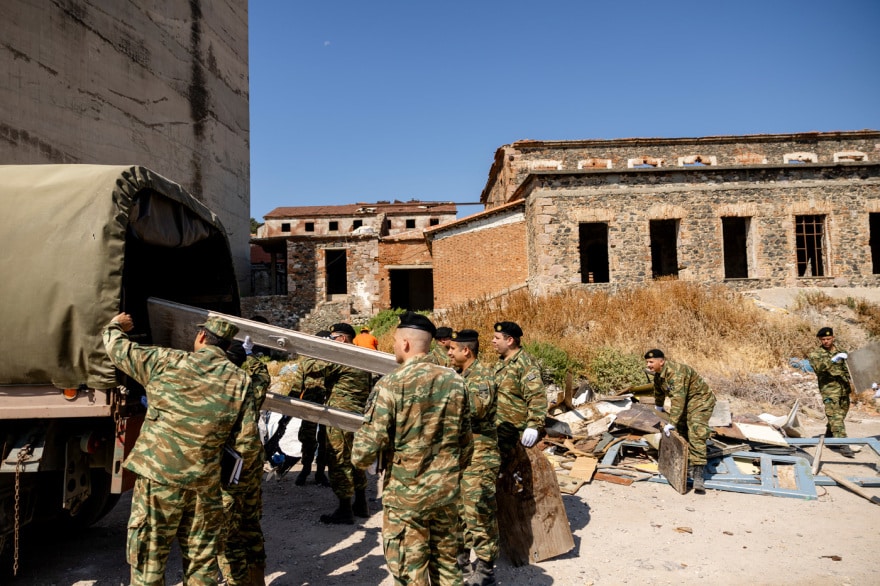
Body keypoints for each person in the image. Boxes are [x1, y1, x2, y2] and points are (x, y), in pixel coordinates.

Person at [102, 314, 249, 585]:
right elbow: (245, 440)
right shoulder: (241, 381)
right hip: (205, 485)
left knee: (149, 560)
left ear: (201, 336)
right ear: (227, 347)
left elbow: (117, 349)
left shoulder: (167, 361)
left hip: (158, 480)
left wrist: (116, 326)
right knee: (202, 564)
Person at [352, 311, 472, 586]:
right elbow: (466, 443)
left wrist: (366, 460)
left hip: (407, 497)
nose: (394, 346)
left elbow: (363, 452)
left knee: (410, 571)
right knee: (448, 569)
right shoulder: (456, 382)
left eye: (395, 341)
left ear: (405, 343)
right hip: (446, 492)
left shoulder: (391, 385)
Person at [448, 329, 500, 586]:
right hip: (462, 453)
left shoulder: (482, 377)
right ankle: (461, 561)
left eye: (452, 349)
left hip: (481, 453)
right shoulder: (460, 376)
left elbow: (476, 410)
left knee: (478, 510)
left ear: (466, 350)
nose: (449, 353)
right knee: (459, 510)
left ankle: (486, 569)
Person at [218, 337, 272, 586]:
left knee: (228, 535)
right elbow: (263, 376)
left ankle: (237, 581)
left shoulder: (219, 387)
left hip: (227, 470)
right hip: (249, 466)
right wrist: (250, 356)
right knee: (250, 525)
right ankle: (257, 580)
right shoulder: (250, 389)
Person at [320, 322, 373, 524]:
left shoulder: (342, 357)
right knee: (356, 458)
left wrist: (320, 348)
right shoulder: (362, 356)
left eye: (333, 338)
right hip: (358, 415)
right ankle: (361, 503)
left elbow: (315, 370)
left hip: (339, 415)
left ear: (342, 338)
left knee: (339, 460)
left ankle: (344, 509)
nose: (331, 341)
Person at [644, 349, 717, 494]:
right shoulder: (659, 374)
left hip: (700, 400)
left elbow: (678, 399)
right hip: (686, 401)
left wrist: (672, 422)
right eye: (647, 362)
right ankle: (687, 464)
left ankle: (698, 474)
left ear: (661, 361)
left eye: (651, 362)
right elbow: (658, 390)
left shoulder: (676, 373)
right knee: (682, 431)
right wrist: (659, 406)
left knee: (696, 431)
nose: (648, 365)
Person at [286, 330, 333, 486]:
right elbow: (297, 385)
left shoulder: (333, 362)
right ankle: (306, 469)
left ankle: (319, 471)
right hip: (310, 405)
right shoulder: (308, 362)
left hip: (327, 405)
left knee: (323, 439)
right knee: (308, 438)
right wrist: (289, 404)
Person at [492, 321, 546, 455]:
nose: (493, 341)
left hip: (515, 436)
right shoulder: (501, 362)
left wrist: (533, 425)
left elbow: (536, 397)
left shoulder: (525, 365)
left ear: (510, 340)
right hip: (499, 431)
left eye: (497, 338)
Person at [807, 327, 854, 457]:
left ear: (833, 338)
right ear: (820, 340)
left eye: (828, 339)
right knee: (835, 416)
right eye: (823, 339)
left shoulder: (841, 352)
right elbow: (819, 368)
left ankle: (829, 435)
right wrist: (833, 360)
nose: (826, 341)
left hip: (843, 389)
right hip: (829, 389)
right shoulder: (815, 354)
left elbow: (849, 370)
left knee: (841, 414)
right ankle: (843, 444)